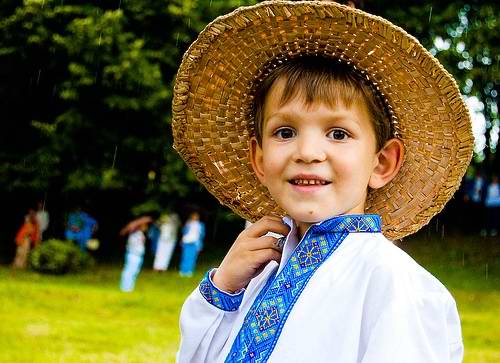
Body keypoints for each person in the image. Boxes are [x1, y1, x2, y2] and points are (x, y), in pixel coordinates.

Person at [172, 1, 473, 362]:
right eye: (285, 131)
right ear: (260, 160)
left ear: (382, 163)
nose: (309, 151)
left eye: (338, 133)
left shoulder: (395, 286)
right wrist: (223, 288)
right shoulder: (254, 276)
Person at [120, 216, 152, 292]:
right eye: (145, 226)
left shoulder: (141, 234)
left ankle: (129, 287)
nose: (146, 227)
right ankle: (125, 288)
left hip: (138, 255)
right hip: (133, 254)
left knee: (134, 272)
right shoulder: (134, 232)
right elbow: (129, 227)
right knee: (129, 271)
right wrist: (140, 221)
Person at [179, 212, 205, 277]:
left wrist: (200, 244)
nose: (195, 217)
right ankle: (183, 270)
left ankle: (189, 271)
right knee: (185, 256)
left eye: (196, 216)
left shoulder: (200, 225)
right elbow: (184, 232)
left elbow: (202, 235)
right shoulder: (188, 223)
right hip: (187, 241)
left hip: (195, 243)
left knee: (192, 257)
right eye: (194, 216)